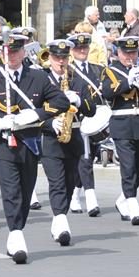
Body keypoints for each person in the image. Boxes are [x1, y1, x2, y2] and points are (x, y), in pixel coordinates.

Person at [0, 34, 66, 264]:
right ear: (2, 53)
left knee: (26, 192)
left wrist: (36, 114)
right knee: (11, 190)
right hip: (3, 144)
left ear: (23, 52)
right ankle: (15, 234)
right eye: (7, 52)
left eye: (16, 51)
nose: (12, 56)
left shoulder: (37, 76)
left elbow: (61, 101)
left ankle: (18, 226)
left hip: (29, 143)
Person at [40, 39, 91, 245]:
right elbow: (34, 110)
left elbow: (92, 109)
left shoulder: (77, 79)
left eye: (64, 57)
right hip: (51, 139)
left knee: (70, 183)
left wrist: (80, 101)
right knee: (57, 182)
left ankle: (58, 218)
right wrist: (49, 123)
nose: (61, 62)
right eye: (56, 57)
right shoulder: (41, 80)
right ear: (50, 58)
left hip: (74, 138)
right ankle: (61, 221)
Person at [102, 37, 139, 225]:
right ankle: (132, 202)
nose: (130, 56)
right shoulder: (111, 71)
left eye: (134, 52)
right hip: (122, 122)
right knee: (128, 165)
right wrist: (128, 82)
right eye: (126, 53)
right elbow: (107, 92)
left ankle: (123, 198)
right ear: (118, 53)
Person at [67, 32, 105, 216]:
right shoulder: (67, 71)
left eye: (85, 47)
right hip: (77, 121)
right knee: (85, 159)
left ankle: (75, 195)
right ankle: (91, 199)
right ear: (72, 50)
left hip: (95, 119)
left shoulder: (98, 70)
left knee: (87, 159)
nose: (82, 51)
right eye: (78, 48)